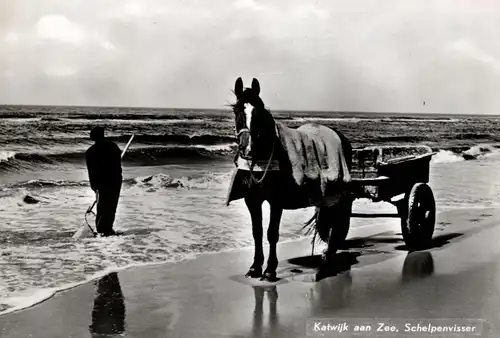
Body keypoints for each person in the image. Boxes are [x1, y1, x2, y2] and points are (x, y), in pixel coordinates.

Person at [85, 126, 123, 236]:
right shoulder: (113, 146)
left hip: (102, 183)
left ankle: (102, 231)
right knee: (111, 206)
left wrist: (94, 187)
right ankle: (106, 230)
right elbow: (117, 161)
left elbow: (91, 172)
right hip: (114, 181)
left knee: (102, 207)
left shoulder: (90, 152)